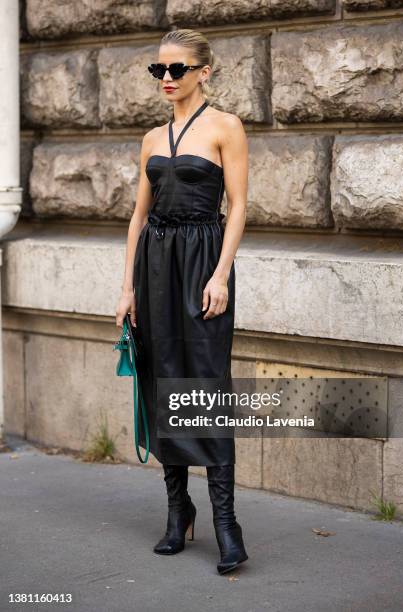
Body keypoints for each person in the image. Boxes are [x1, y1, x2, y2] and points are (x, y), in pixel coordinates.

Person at [115, 28, 248, 575]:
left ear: (203, 72)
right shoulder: (150, 138)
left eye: (175, 69)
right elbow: (138, 216)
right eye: (158, 71)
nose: (165, 79)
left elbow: (238, 207)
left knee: (207, 383)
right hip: (154, 267)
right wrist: (127, 287)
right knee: (161, 377)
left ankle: (225, 522)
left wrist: (220, 275)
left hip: (202, 263)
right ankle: (178, 512)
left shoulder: (225, 127)